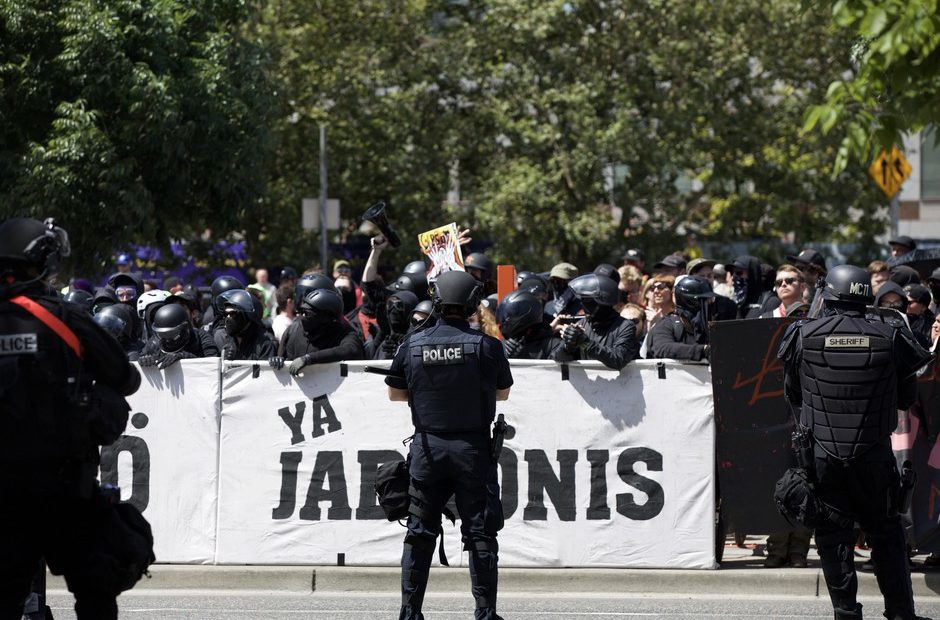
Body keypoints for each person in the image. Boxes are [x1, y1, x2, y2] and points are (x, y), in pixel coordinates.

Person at [0, 217, 143, 619]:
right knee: (95, 590)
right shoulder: (62, 317)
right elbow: (123, 377)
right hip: (63, 486)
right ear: (40, 263)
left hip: (5, 491)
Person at [778, 264, 932, 620]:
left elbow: (793, 394)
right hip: (874, 454)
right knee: (887, 534)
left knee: (832, 536)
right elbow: (906, 398)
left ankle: (847, 614)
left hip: (823, 456)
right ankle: (900, 614)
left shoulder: (802, 335)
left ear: (828, 293)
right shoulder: (891, 335)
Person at [385, 269, 513, 620]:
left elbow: (396, 394)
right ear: (472, 303)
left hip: (428, 449)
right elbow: (502, 392)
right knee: (481, 535)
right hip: (472, 450)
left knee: (418, 534)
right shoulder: (487, 345)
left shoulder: (412, 344)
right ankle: (485, 614)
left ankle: (410, 613)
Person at [551, 273, 640, 370]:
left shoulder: (625, 327)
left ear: (602, 302)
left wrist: (584, 342)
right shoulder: (582, 324)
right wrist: (568, 345)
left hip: (622, 384)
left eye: (587, 300)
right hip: (586, 385)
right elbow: (557, 358)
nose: (582, 304)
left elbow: (618, 359)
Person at [270, 286, 364, 374]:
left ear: (326, 317)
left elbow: (350, 350)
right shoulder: (293, 330)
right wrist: (277, 360)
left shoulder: (345, 333)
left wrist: (309, 359)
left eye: (307, 313)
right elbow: (283, 357)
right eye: (301, 312)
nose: (302, 317)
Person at [645, 275, 713, 361]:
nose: (710, 303)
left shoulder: (708, 327)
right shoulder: (665, 325)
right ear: (692, 302)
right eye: (705, 301)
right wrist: (703, 350)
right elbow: (662, 348)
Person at [139, 303, 219, 368]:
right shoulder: (154, 342)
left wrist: (186, 357)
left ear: (185, 328)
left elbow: (212, 366)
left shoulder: (202, 338)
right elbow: (140, 361)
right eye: (162, 334)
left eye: (171, 333)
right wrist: (145, 359)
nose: (167, 339)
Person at [497, 290, 561, 359]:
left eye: (511, 316)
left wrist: (523, 356)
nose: (506, 320)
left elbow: (560, 359)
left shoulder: (551, 345)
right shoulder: (502, 346)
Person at [217, 289, 276, 361]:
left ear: (247, 317)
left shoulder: (264, 344)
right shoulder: (227, 344)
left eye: (232, 314)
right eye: (226, 314)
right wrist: (225, 360)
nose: (228, 318)